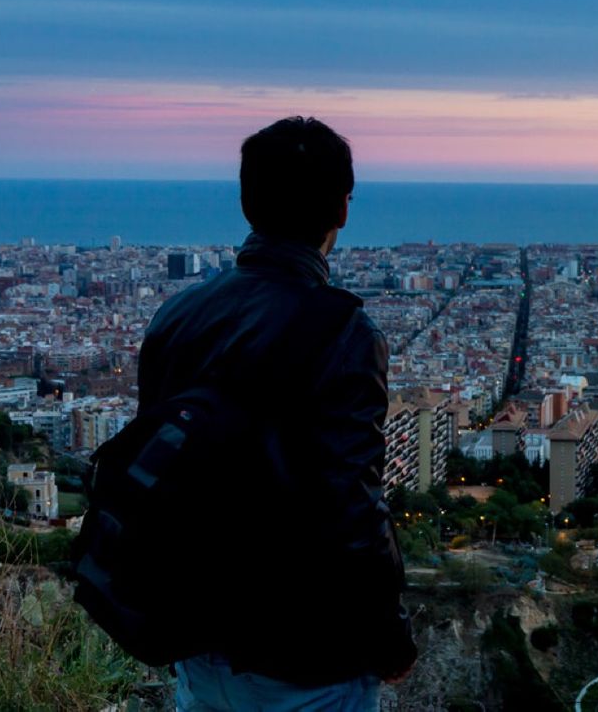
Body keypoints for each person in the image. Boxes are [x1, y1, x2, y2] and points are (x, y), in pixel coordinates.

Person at [136, 117, 415, 710]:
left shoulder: (177, 317)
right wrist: (389, 637)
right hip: (306, 659)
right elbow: (352, 505)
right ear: (342, 209)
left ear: (247, 202)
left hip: (198, 642)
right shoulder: (343, 332)